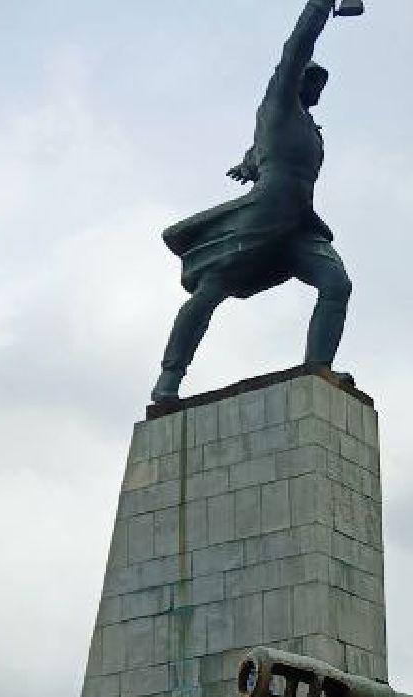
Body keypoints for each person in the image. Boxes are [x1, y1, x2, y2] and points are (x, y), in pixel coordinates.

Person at [154, 0, 360, 403]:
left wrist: (249, 161)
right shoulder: (279, 102)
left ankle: (318, 367)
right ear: (296, 80)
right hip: (265, 213)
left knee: (337, 283)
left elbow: (264, 148)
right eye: (312, 80)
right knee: (213, 288)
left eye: (322, 84)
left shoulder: (310, 129)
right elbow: (296, 47)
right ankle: (169, 378)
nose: (318, 88)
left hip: (298, 221)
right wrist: (320, 6)